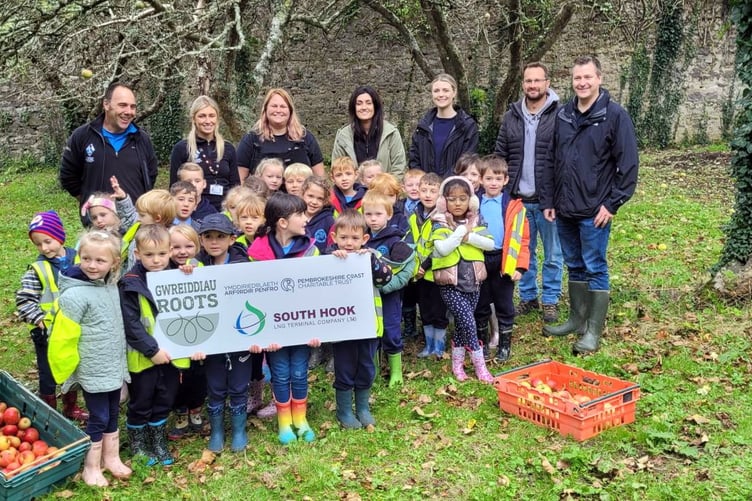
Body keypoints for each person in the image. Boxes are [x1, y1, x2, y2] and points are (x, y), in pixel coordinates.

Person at [541, 55, 639, 354]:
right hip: (565, 209)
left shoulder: (614, 116)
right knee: (574, 265)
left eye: (587, 77)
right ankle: (576, 320)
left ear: (599, 78)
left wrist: (611, 204)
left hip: (595, 211)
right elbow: (550, 159)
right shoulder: (563, 115)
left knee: (595, 266)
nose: (582, 83)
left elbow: (629, 165)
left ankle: (593, 332)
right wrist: (549, 199)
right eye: (577, 78)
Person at [47, 230, 130, 487]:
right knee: (99, 415)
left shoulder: (111, 285)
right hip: (93, 366)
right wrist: (66, 371)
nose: (92, 265)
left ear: (114, 263)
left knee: (113, 411)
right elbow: (62, 337)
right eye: (86, 258)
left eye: (100, 261)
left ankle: (111, 457)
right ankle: (91, 466)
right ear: (79, 258)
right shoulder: (74, 295)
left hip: (113, 363)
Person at [248, 193, 320, 444]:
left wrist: (317, 326)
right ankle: (284, 422)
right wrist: (262, 333)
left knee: (299, 372)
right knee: (279, 373)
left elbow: (319, 292)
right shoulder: (256, 252)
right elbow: (252, 294)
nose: (305, 218)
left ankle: (300, 419)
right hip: (273, 328)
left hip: (302, 325)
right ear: (282, 222)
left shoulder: (311, 249)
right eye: (300, 214)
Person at [120, 225, 193, 467]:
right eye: (149, 255)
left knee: (165, 398)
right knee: (142, 401)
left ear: (170, 251)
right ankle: (139, 445)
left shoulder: (178, 274)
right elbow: (131, 324)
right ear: (138, 254)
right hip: (144, 358)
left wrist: (189, 272)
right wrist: (152, 351)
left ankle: (159, 441)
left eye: (162, 254)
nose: (156, 260)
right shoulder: (130, 283)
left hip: (174, 355)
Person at [495, 62, 563, 323]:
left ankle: (551, 299)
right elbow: (501, 152)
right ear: (522, 84)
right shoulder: (512, 115)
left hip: (549, 200)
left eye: (538, 80)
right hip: (519, 198)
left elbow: (565, 157)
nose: (532, 85)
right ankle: (528, 296)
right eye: (528, 81)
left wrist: (558, 195)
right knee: (525, 250)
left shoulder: (560, 114)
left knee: (554, 254)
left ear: (547, 83)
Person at [16, 211, 89, 422]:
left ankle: (70, 406)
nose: (44, 248)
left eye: (48, 241)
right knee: (47, 373)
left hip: (73, 328)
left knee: (70, 367)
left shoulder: (81, 258)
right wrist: (38, 320)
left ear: (60, 235)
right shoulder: (37, 270)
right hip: (46, 332)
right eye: (38, 244)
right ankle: (48, 409)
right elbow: (25, 299)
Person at [328, 210, 393, 429]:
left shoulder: (371, 256)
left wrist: (371, 260)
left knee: (366, 365)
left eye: (355, 238)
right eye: (343, 238)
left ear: (364, 239)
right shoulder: (329, 258)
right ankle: (345, 411)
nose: (348, 243)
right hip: (341, 327)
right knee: (344, 367)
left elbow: (386, 277)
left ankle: (363, 407)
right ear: (335, 237)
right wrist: (332, 259)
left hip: (369, 326)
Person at [60, 82, 158, 225]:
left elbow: (151, 175)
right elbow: (68, 176)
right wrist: (93, 201)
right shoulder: (83, 136)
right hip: (98, 226)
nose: (129, 111)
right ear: (106, 104)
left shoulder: (141, 139)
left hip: (134, 223)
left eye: (133, 106)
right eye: (123, 105)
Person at [429, 177, 495, 382]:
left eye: (462, 198)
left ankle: (457, 365)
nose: (457, 203)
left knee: (460, 325)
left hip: (473, 282)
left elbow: (489, 244)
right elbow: (441, 248)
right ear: (443, 201)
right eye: (452, 199)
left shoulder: (477, 220)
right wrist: (459, 232)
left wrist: (469, 236)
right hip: (450, 284)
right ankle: (480, 366)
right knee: (468, 321)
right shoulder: (438, 221)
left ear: (471, 201)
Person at [196, 213, 252, 452]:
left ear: (232, 239)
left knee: (239, 384)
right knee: (216, 386)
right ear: (201, 240)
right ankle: (217, 430)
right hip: (212, 340)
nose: (214, 242)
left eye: (220, 237)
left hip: (240, 339)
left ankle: (239, 430)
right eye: (209, 237)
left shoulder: (245, 265)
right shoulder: (195, 267)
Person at [474, 155, 530, 362]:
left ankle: (504, 347)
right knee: (479, 303)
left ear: (505, 180)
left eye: (498, 179)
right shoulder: (474, 203)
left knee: (504, 304)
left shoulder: (514, 207)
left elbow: (522, 239)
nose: (493, 183)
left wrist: (520, 267)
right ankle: (481, 346)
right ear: (481, 180)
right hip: (479, 259)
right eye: (489, 178)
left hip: (503, 261)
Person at [361, 192, 416, 388]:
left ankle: (396, 371)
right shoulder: (360, 238)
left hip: (389, 296)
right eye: (368, 214)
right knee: (371, 331)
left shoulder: (396, 240)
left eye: (378, 214)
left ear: (389, 214)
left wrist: (385, 286)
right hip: (366, 298)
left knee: (391, 330)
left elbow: (402, 268)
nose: (373, 219)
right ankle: (373, 370)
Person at [166, 225, 207, 439]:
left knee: (198, 377)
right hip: (174, 335)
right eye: (176, 247)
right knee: (176, 379)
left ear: (197, 246)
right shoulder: (162, 269)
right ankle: (180, 415)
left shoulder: (202, 267)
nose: (182, 252)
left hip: (199, 333)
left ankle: (197, 412)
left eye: (188, 246)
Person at [169, 96, 239, 212]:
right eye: (202, 116)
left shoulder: (228, 148)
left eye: (211, 116)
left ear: (217, 118)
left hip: (224, 211)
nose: (207, 121)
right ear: (194, 119)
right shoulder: (182, 148)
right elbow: (174, 188)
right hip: (194, 211)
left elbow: (235, 186)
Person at [236, 88, 325, 179]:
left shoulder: (305, 137)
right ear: (265, 109)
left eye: (283, 106)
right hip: (261, 193)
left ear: (290, 110)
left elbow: (320, 178)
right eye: (274, 106)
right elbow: (240, 179)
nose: (278, 110)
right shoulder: (251, 140)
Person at [408, 74, 478, 178]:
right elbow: (414, 158)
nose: (441, 94)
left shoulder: (467, 126)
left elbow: (467, 160)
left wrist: (445, 183)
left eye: (445, 90)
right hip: (426, 189)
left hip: (454, 188)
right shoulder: (423, 126)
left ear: (454, 93)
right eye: (436, 91)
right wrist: (426, 182)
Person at [407, 173, 446, 358]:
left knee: (439, 311)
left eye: (433, 191)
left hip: (436, 273)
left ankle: (439, 346)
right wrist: (416, 267)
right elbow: (410, 243)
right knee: (425, 310)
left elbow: (440, 246)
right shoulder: (413, 216)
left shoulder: (442, 217)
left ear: (440, 194)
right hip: (419, 274)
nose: (427, 195)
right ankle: (428, 345)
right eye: (424, 190)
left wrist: (426, 265)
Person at [332, 85, 407, 177]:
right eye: (359, 103)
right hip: (353, 190)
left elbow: (399, 169)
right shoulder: (343, 136)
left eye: (368, 103)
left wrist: (384, 188)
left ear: (375, 106)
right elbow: (337, 168)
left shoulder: (391, 133)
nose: (364, 107)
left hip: (384, 189)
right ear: (354, 107)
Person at [302, 176, 335, 254]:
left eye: (320, 199)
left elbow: (332, 247)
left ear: (325, 201)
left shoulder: (329, 221)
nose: (314, 202)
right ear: (302, 194)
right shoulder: (294, 217)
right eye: (310, 196)